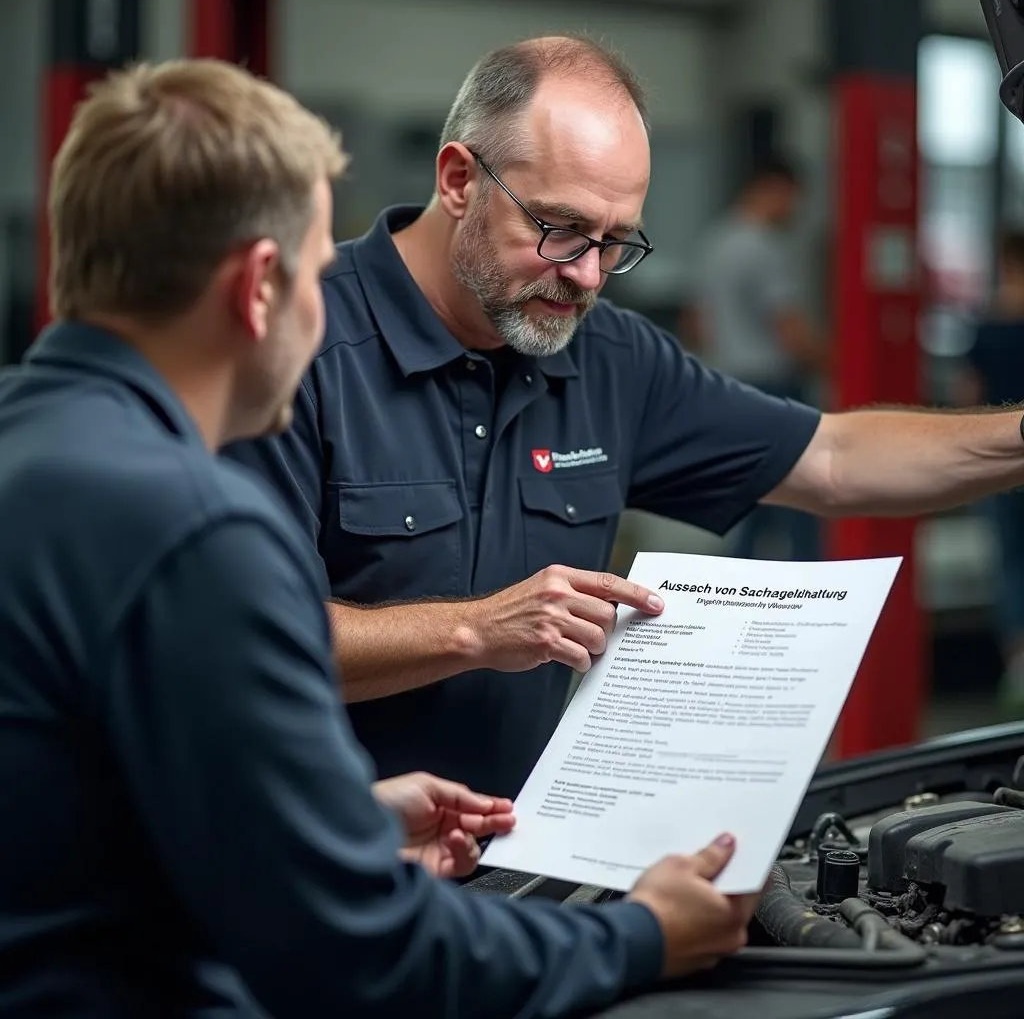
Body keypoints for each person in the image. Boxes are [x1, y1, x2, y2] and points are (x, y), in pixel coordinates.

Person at [0, 55, 763, 1019]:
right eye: (321, 271)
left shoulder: (29, 446)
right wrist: (644, 935)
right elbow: (361, 954)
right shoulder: (194, 532)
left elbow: (73, 795)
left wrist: (335, 823)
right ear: (262, 288)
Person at [224, 34, 1024, 804]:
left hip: (519, 876)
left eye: (613, 243)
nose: (584, 274)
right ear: (459, 179)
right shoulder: (297, 346)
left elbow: (836, 460)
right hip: (314, 881)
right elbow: (236, 642)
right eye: (558, 228)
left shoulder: (607, 353)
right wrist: (476, 630)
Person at [694, 154, 827, 562]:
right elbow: (790, 332)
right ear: (774, 190)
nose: (794, 211)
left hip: (727, 382)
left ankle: (741, 599)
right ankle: (813, 604)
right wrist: (843, 364)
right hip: (773, 387)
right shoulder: (766, 248)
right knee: (802, 501)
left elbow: (696, 324)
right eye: (793, 199)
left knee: (749, 501)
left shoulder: (714, 241)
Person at [955, 229, 1024, 719]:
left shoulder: (988, 321)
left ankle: (1018, 666)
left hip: (999, 465)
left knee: (1009, 564)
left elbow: (968, 395)